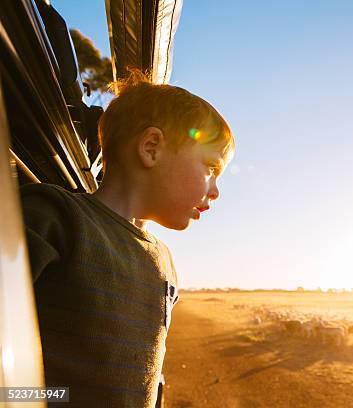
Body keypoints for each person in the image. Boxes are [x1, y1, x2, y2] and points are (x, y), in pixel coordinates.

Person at [20, 69, 235, 407]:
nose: (216, 191)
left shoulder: (165, 260)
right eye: (210, 167)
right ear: (151, 148)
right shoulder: (56, 218)